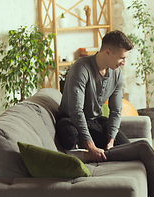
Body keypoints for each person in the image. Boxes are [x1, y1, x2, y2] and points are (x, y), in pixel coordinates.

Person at [56, 30, 134, 163]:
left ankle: (92, 151)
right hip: (70, 118)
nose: (124, 63)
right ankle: (84, 152)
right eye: (122, 58)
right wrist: (90, 145)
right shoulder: (81, 68)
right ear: (108, 52)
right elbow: (75, 110)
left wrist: (111, 140)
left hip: (94, 120)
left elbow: (116, 111)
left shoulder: (117, 74)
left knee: (125, 147)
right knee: (69, 137)